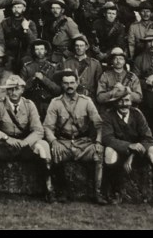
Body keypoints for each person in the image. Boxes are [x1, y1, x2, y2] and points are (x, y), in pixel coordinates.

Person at [0, 75, 51, 201]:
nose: (13, 92)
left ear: (22, 90)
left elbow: (39, 130)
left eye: (16, 89)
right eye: (10, 89)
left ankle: (48, 188)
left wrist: (25, 142)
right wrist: (6, 138)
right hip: (5, 144)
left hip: (24, 144)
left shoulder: (29, 105)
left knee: (44, 146)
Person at [43, 70, 106, 204]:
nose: (69, 86)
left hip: (83, 143)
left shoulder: (86, 101)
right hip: (63, 142)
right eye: (66, 83)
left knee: (98, 154)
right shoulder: (55, 103)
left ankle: (97, 192)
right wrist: (53, 141)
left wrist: (99, 142)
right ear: (62, 85)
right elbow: (47, 127)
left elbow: (99, 124)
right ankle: (59, 192)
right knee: (53, 154)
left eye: (72, 82)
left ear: (77, 83)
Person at [101, 85, 153, 206]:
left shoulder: (137, 114)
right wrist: (128, 146)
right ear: (115, 102)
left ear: (131, 101)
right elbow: (107, 138)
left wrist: (132, 153)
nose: (124, 104)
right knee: (108, 151)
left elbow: (149, 138)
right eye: (120, 101)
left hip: (138, 151)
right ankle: (115, 192)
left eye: (127, 100)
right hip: (120, 151)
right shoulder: (108, 115)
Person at [20, 40, 63, 120]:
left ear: (46, 50)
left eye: (41, 49)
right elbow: (21, 89)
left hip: (48, 104)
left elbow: (58, 90)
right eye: (37, 49)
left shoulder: (53, 68)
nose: (39, 52)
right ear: (33, 51)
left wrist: (44, 79)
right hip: (31, 103)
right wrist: (32, 80)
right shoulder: (27, 67)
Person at [1, 0, 38, 73]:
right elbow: (1, 39)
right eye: (14, 7)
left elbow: (33, 41)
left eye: (19, 7)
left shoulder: (30, 23)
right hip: (9, 51)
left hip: (24, 51)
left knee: (25, 62)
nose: (16, 10)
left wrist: (26, 29)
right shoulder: (5, 22)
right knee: (8, 62)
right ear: (11, 9)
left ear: (24, 9)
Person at [40, 0, 80, 64]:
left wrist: (70, 55)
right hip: (54, 54)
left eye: (58, 8)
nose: (55, 10)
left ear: (62, 10)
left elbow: (78, 40)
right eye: (53, 8)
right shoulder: (53, 22)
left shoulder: (68, 22)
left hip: (65, 57)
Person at [62, 35, 102, 99]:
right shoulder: (67, 63)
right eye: (77, 45)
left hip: (89, 98)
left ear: (86, 47)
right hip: (71, 97)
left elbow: (100, 86)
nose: (79, 48)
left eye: (81, 46)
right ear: (74, 47)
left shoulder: (95, 63)